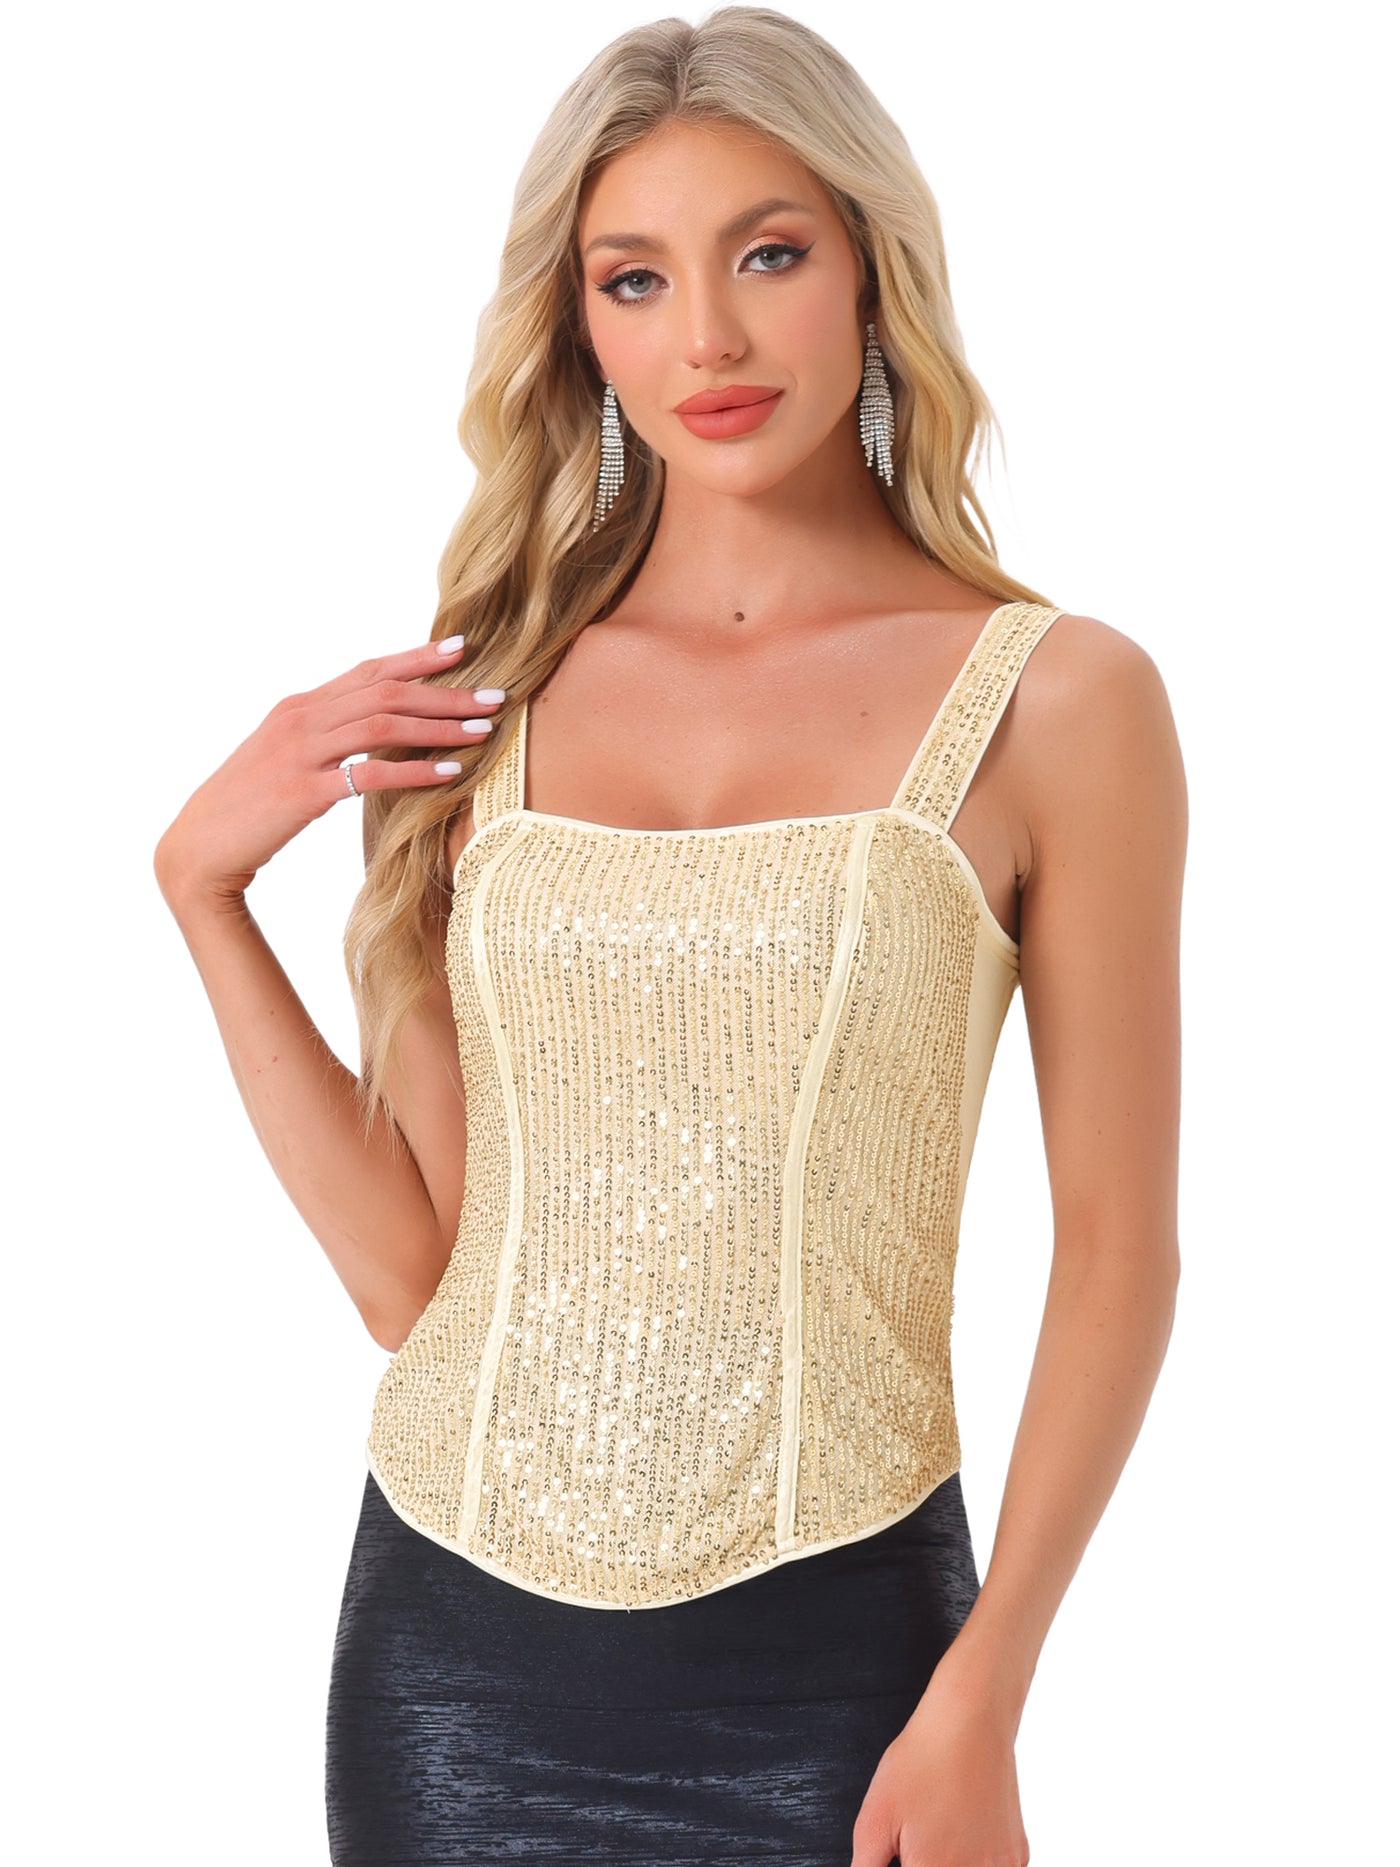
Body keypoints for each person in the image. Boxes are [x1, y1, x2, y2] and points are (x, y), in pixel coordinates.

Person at [153, 8, 1186, 1863]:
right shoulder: (480, 702)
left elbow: (1118, 1248)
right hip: (450, 1670)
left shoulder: (1061, 702)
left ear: (870, 269)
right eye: (634, 279)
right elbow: (412, 1279)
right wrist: (204, 897)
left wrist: (989, 1691)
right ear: (578, 326)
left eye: (767, 255)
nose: (705, 336)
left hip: (851, 1668)